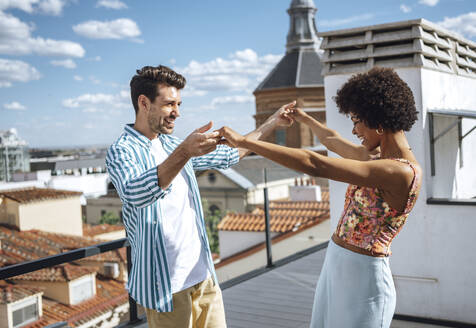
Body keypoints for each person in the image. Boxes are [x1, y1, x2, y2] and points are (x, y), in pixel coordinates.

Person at [218, 66, 422, 328]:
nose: (354, 131)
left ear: (378, 122)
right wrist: (303, 118)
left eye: (357, 121)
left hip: (365, 277)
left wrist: (245, 142)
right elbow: (331, 140)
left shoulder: (400, 171)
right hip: (336, 263)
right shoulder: (377, 158)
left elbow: (315, 164)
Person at [106, 65, 293, 328]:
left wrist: (273, 121)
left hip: (204, 277)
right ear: (144, 103)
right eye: (170, 104)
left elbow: (231, 154)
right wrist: (185, 152)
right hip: (165, 288)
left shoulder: (172, 144)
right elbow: (135, 194)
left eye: (179, 104)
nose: (177, 113)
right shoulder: (121, 151)